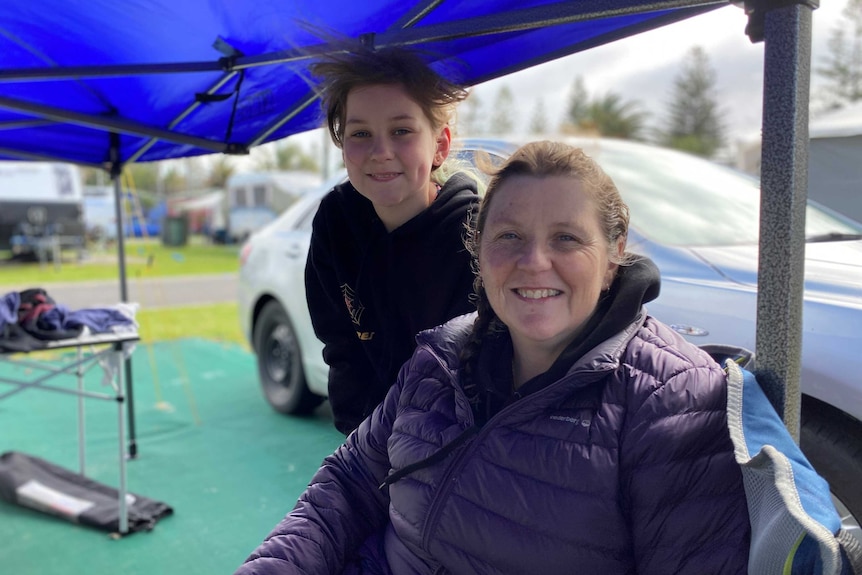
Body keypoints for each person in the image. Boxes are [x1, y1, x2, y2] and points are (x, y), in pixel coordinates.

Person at [236, 139, 759, 574]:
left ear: (614, 252)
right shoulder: (441, 355)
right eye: (509, 236)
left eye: (566, 238)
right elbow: (349, 485)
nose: (534, 262)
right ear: (479, 249)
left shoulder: (670, 399)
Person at [304, 46, 479, 435]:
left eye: (401, 131)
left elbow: (479, 369)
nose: (381, 153)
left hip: (456, 443)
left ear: (440, 145)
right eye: (361, 133)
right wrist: (360, 442)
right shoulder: (335, 222)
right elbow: (341, 346)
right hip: (367, 442)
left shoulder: (475, 235)